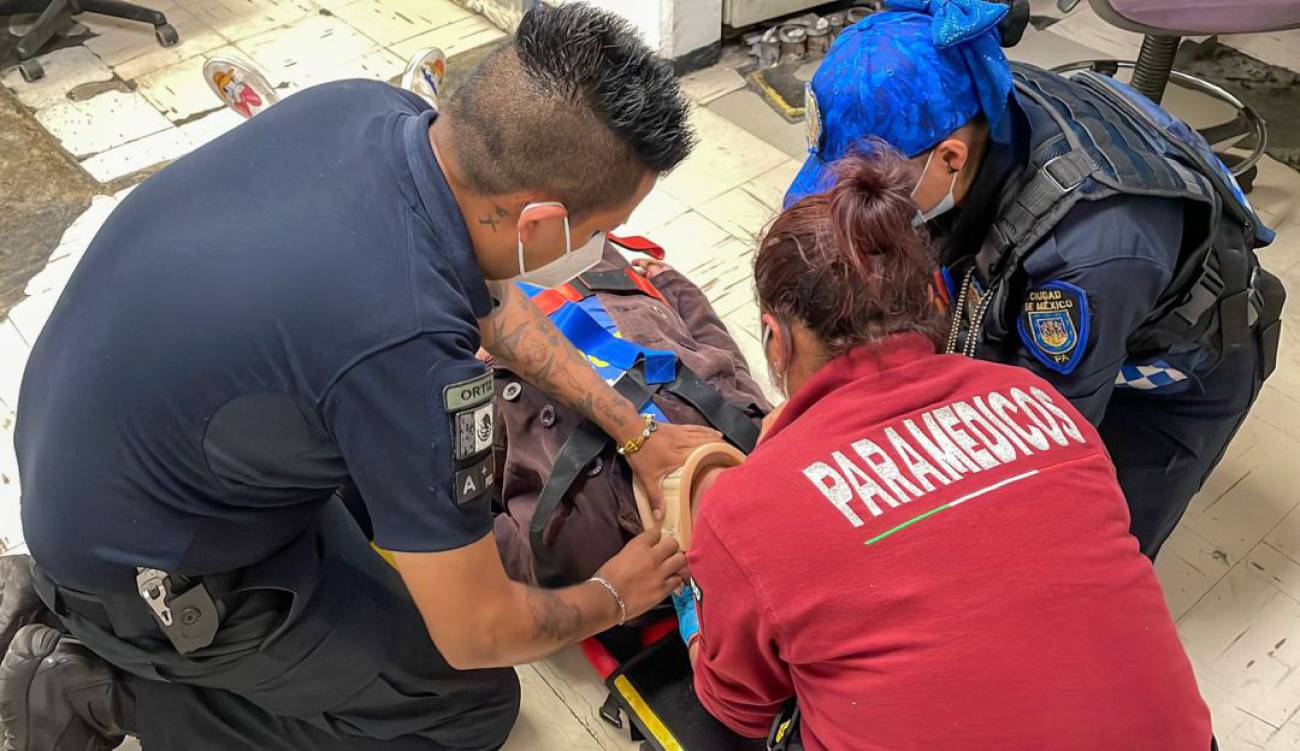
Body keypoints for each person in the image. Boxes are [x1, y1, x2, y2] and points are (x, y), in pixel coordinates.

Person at [6, 4, 718, 749]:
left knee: (401, 545)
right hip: (146, 568)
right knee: (467, 706)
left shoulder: (368, 111)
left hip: (100, 449)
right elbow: (479, 631)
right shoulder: (407, 350)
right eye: (599, 230)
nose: (600, 248)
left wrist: (635, 430)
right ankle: (99, 682)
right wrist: (613, 594)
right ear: (536, 223)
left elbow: (493, 306)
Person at [673, 149, 1214, 750]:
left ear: (776, 341)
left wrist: (697, 600)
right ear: (936, 301)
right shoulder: (1035, 399)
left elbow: (740, 707)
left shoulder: (748, 511)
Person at [785, 0, 1284, 558]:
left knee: (1082, 551)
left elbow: (1042, 436)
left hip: (1172, 382)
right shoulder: (970, 94)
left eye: (870, 191)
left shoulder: (1090, 256)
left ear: (950, 157)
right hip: (1099, 313)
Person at [489, 241, 772, 587]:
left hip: (477, 342)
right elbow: (719, 352)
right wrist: (673, 287)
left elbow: (459, 540)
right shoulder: (758, 435)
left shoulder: (576, 544)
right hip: (600, 283)